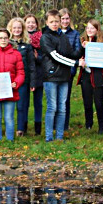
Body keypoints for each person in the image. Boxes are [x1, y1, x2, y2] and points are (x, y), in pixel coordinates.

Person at [40, 9, 81, 142]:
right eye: (51, 22)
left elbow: (70, 53)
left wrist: (82, 48)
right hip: (51, 76)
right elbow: (55, 56)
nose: (55, 24)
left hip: (64, 76)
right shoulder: (45, 37)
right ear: (46, 22)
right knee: (52, 107)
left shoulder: (63, 36)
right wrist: (75, 63)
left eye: (57, 21)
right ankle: (48, 137)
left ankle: (60, 136)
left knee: (62, 107)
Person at [77, 19, 103, 133]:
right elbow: (77, 55)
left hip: (98, 76)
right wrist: (82, 49)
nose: (89, 30)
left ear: (97, 30)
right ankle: (88, 123)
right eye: (88, 28)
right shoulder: (82, 41)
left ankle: (102, 125)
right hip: (85, 75)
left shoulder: (102, 43)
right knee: (87, 101)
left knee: (98, 102)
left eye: (92, 28)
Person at [8, 17, 35, 136]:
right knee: (9, 106)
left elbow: (31, 65)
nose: (17, 30)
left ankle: (21, 129)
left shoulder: (27, 45)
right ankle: (8, 129)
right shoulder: (6, 43)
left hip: (23, 80)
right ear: (10, 29)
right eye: (14, 27)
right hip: (8, 79)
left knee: (22, 105)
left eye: (19, 27)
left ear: (22, 29)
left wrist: (32, 81)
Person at [58, 8, 81, 131]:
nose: (65, 21)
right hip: (55, 71)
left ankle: (64, 125)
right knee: (54, 99)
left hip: (68, 71)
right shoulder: (54, 33)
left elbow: (76, 52)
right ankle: (55, 124)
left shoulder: (75, 34)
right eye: (63, 19)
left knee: (65, 99)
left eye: (67, 18)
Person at [25, 14, 44, 136]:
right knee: (24, 102)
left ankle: (38, 128)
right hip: (25, 74)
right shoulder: (21, 38)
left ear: (36, 24)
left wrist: (38, 58)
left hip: (39, 73)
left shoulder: (42, 38)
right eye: (28, 22)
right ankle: (24, 126)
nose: (31, 24)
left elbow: (46, 57)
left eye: (33, 22)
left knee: (38, 102)